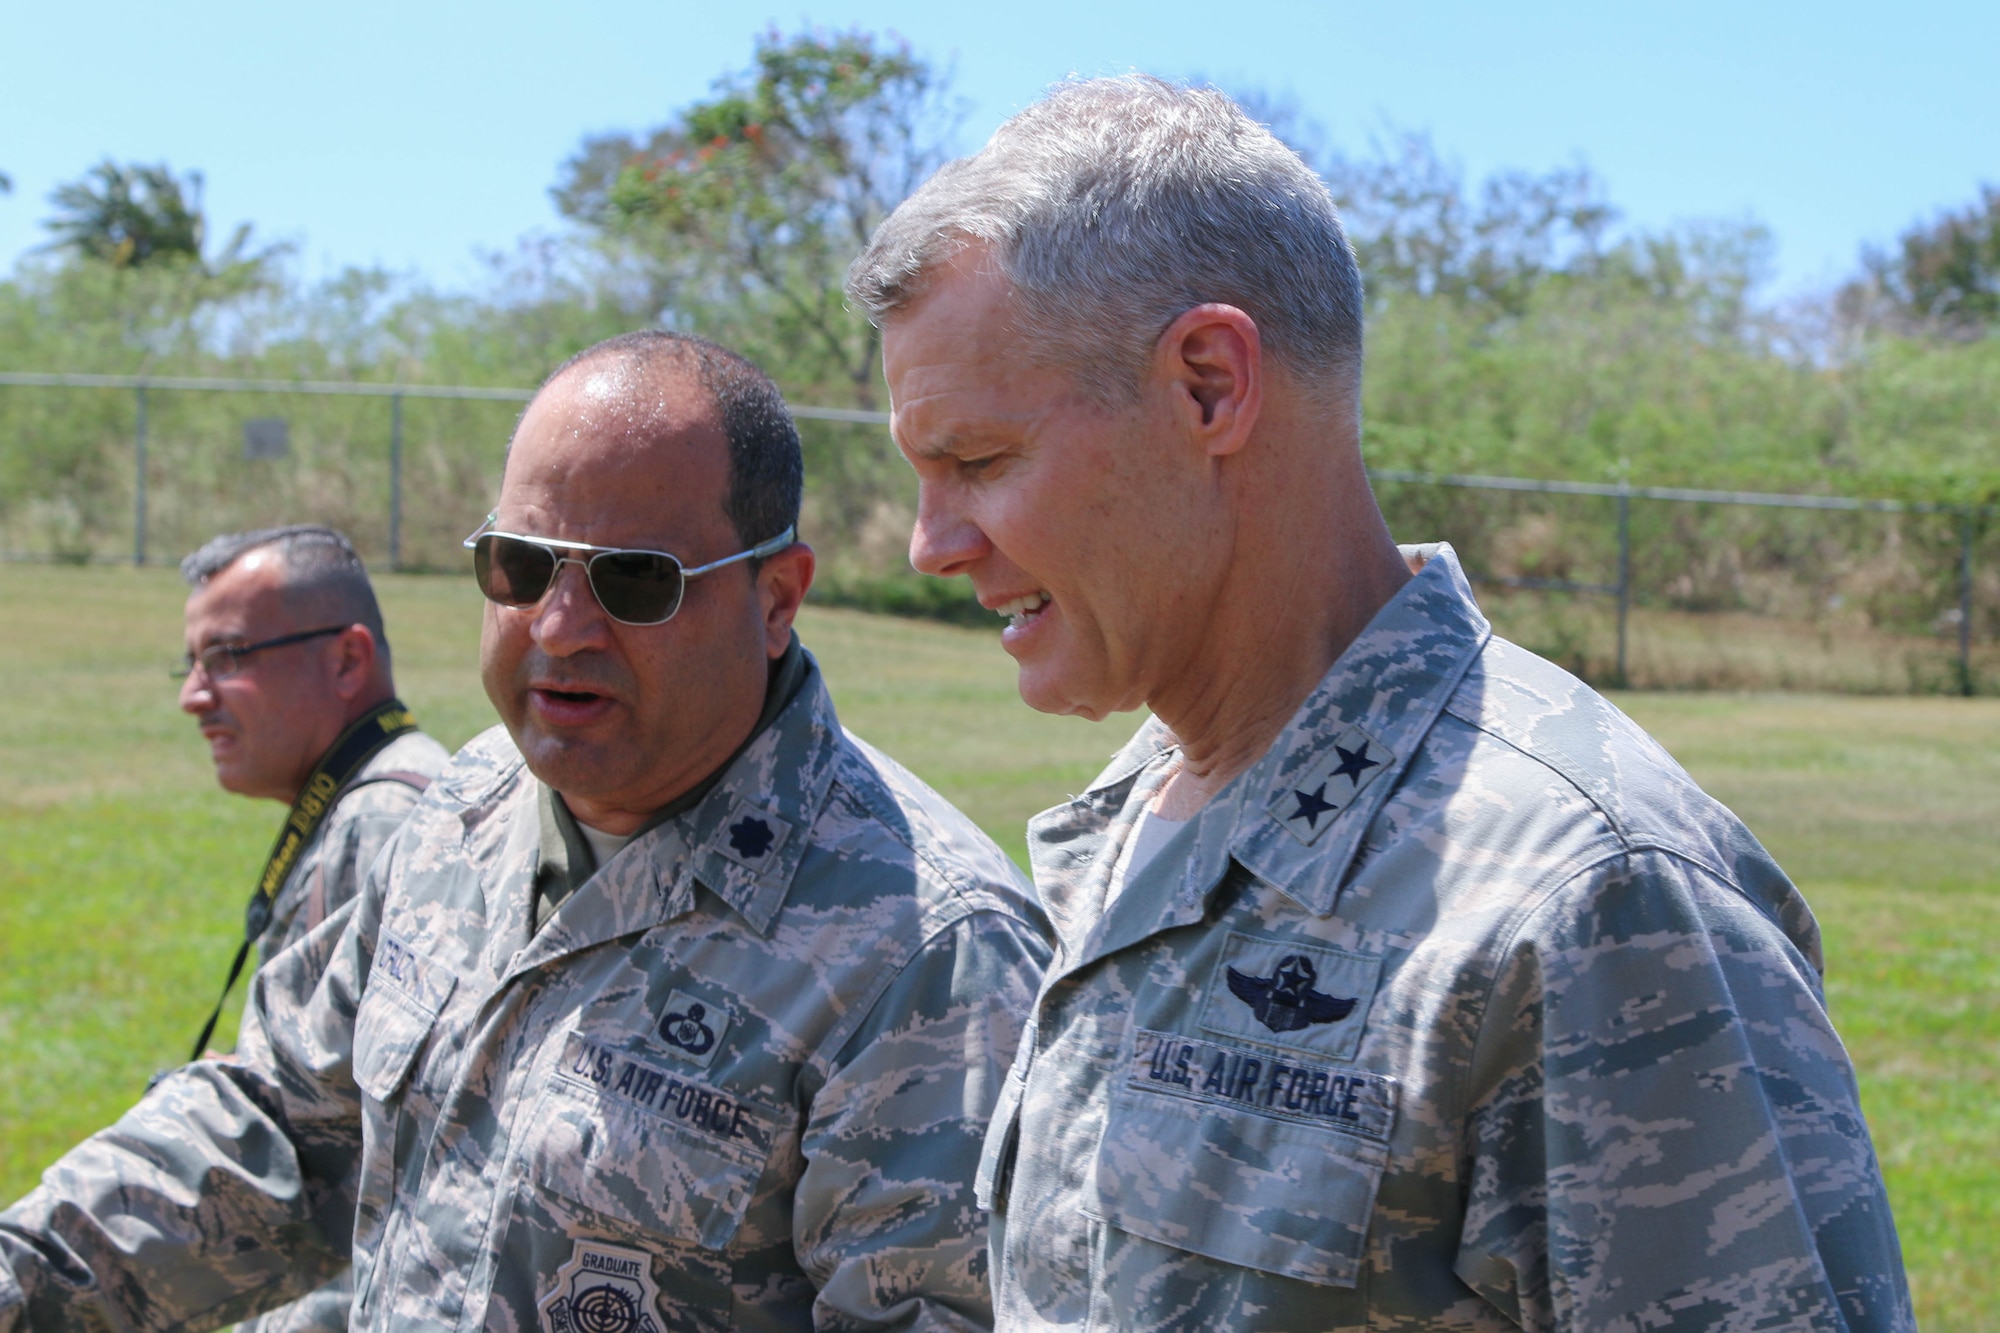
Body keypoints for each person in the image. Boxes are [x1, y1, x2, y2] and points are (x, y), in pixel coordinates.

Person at [847, 77, 1913, 1332]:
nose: (928, 544)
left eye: (976, 462)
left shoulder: (1589, 902)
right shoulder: (1131, 822)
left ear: (1205, 385)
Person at [0, 331, 1050, 1332]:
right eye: (520, 564)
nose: (559, 626)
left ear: (774, 598)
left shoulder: (929, 953)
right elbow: (279, 1129)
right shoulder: (456, 817)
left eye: (634, 579)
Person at [173, 524, 450, 1333]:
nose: (194, 694)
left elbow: (373, 1156)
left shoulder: (386, 822)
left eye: (226, 657)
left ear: (346, 659)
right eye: (192, 663)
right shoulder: (370, 802)